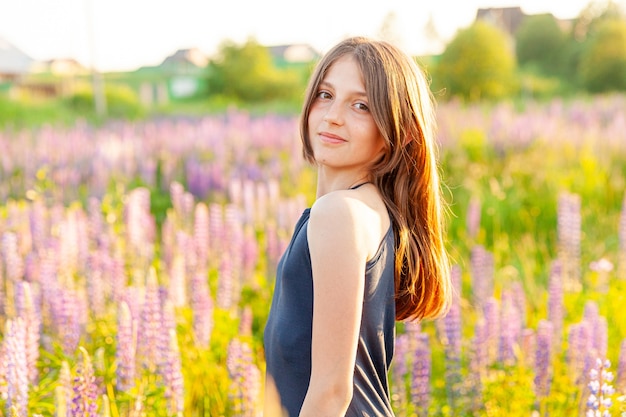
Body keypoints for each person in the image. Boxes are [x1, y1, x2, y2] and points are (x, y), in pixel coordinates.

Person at [263, 36, 452, 417]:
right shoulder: (367, 209)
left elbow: (332, 392)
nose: (333, 115)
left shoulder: (339, 214)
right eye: (325, 94)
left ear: (397, 133)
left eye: (361, 105)